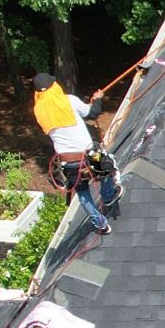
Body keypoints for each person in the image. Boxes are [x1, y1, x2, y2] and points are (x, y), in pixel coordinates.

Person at [32, 74, 120, 231]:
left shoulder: (39, 111)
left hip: (67, 161)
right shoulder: (69, 101)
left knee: (82, 192)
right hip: (89, 155)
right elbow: (92, 113)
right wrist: (97, 99)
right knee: (108, 165)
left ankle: (100, 224)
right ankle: (108, 196)